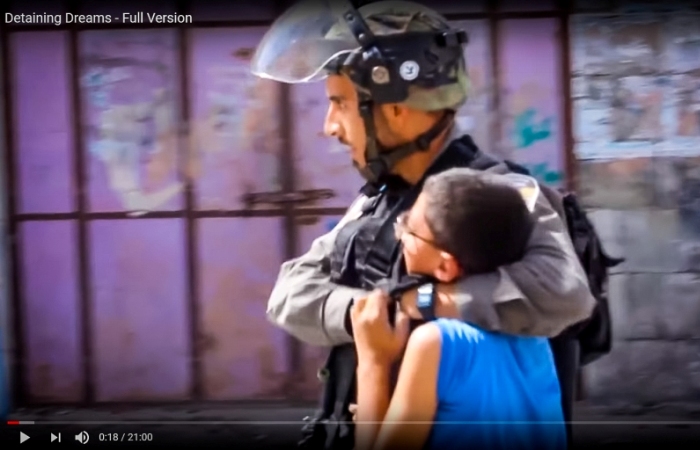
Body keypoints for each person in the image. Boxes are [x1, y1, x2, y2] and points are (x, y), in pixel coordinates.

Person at [250, 1, 596, 448]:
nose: (329, 126)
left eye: (339, 103)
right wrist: (376, 313)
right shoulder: (376, 199)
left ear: (395, 109)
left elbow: (563, 294)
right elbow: (289, 294)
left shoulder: (497, 195)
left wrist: (424, 303)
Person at [350, 168, 567, 450]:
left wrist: (372, 364)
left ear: (445, 266)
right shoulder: (535, 336)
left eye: (409, 229)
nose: (400, 235)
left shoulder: (436, 343)